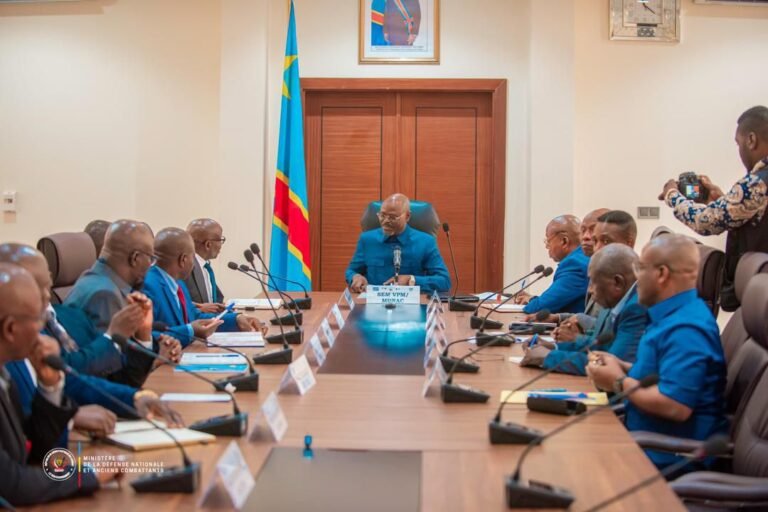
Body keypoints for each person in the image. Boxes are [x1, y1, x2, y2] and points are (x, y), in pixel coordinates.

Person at [0, 244, 182, 428]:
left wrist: (135, 397)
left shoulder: (69, 315)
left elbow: (75, 380)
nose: (45, 296)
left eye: (46, 285)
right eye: (32, 288)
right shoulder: (19, 339)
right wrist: (71, 418)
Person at [587, 234, 728, 470]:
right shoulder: (669, 315)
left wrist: (618, 381)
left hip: (668, 458)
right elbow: (664, 376)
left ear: (662, 274)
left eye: (640, 269)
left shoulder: (687, 328)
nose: (636, 278)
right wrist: (622, 366)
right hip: (644, 440)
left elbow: (675, 405)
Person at [0, 263, 118, 505]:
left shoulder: (4, 374)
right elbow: (12, 484)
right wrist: (86, 475)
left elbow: (35, 454)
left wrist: (49, 388)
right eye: (38, 318)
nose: (43, 328)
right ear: (10, 329)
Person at [660, 106, 768, 311]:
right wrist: (721, 200)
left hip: (760, 291)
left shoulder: (759, 182)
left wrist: (672, 195)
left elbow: (706, 222)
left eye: (738, 143)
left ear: (751, 140)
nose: (740, 151)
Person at [65, 220, 181, 387]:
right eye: (151, 258)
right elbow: (112, 373)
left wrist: (154, 346)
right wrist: (155, 359)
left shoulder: (95, 280)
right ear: (135, 258)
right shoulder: (105, 295)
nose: (151, 266)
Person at [521, 244, 647, 376]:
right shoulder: (621, 300)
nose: (590, 291)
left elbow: (610, 365)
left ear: (617, 282)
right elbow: (603, 348)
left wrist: (548, 357)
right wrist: (553, 347)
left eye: (593, 282)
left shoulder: (635, 309)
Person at [142, 228, 267, 346]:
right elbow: (146, 337)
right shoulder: (147, 286)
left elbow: (195, 317)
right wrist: (190, 331)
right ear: (183, 260)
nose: (194, 264)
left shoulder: (178, 282)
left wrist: (236, 320)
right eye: (193, 257)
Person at [345, 193, 451, 294]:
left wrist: (412, 280)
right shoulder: (367, 239)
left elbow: (444, 281)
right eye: (382, 215)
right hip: (374, 301)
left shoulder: (425, 242)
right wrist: (355, 277)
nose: (385, 221)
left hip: (411, 303)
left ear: (407, 216)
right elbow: (351, 271)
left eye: (392, 217)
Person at [547, 208, 610, 333]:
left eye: (592, 230)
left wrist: (577, 340)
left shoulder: (619, 273)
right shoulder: (597, 265)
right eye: (583, 230)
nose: (585, 237)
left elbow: (607, 328)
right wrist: (558, 317)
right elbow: (591, 317)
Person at [515, 215, 590, 314]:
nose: (547, 246)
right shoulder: (582, 257)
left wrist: (531, 301)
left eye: (548, 241)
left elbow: (539, 308)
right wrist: (533, 299)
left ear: (564, 241)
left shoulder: (574, 265)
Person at [184, 218, 226, 314]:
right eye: (220, 240)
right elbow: (178, 302)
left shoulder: (205, 266)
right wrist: (198, 308)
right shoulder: (185, 268)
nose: (221, 245)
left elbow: (216, 300)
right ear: (208, 245)